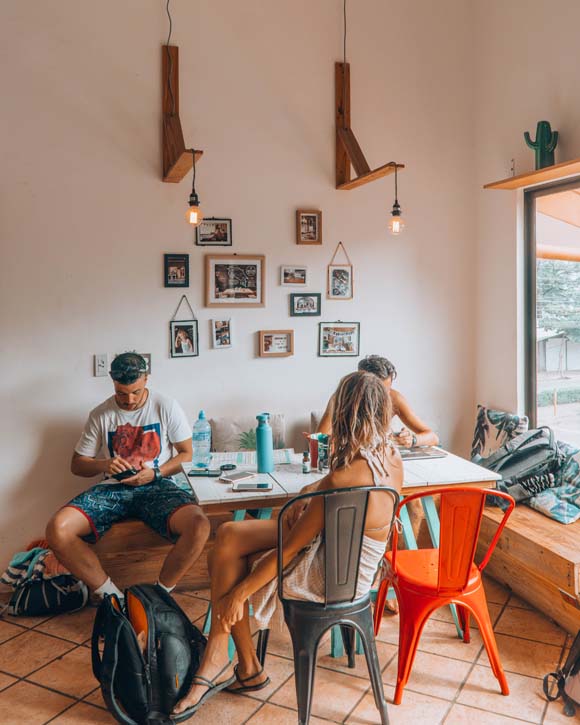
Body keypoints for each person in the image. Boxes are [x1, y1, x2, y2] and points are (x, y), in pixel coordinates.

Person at [173, 371, 403, 716]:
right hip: (357, 568)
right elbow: (330, 485)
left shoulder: (342, 480)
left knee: (228, 549)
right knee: (230, 536)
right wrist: (305, 495)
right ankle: (238, 665)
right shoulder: (390, 459)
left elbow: (290, 551)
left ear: (342, 414)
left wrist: (240, 594)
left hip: (329, 575)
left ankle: (232, 662)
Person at [45, 352, 210, 601]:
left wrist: (156, 473)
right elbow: (77, 465)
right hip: (113, 488)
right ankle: (113, 599)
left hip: (158, 484)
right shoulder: (101, 414)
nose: (129, 400)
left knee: (199, 525)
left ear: (146, 378)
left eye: (135, 392)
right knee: (57, 529)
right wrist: (105, 464)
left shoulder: (165, 405)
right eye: (122, 393)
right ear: (113, 383)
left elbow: (187, 455)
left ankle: (158, 597)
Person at [318, 354, 439, 448]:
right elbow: (319, 438)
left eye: (387, 389)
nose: (384, 396)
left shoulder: (394, 398)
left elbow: (433, 438)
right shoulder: (341, 397)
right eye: (379, 390)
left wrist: (412, 439)